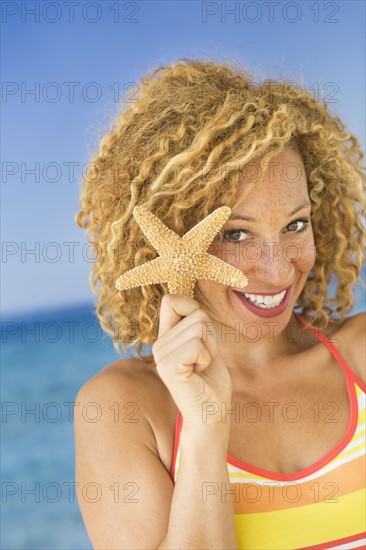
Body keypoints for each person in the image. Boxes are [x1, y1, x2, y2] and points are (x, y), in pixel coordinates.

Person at [74, 58, 366, 549]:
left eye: (295, 225)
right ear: (163, 240)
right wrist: (206, 426)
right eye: (235, 233)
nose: (276, 270)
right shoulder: (123, 409)